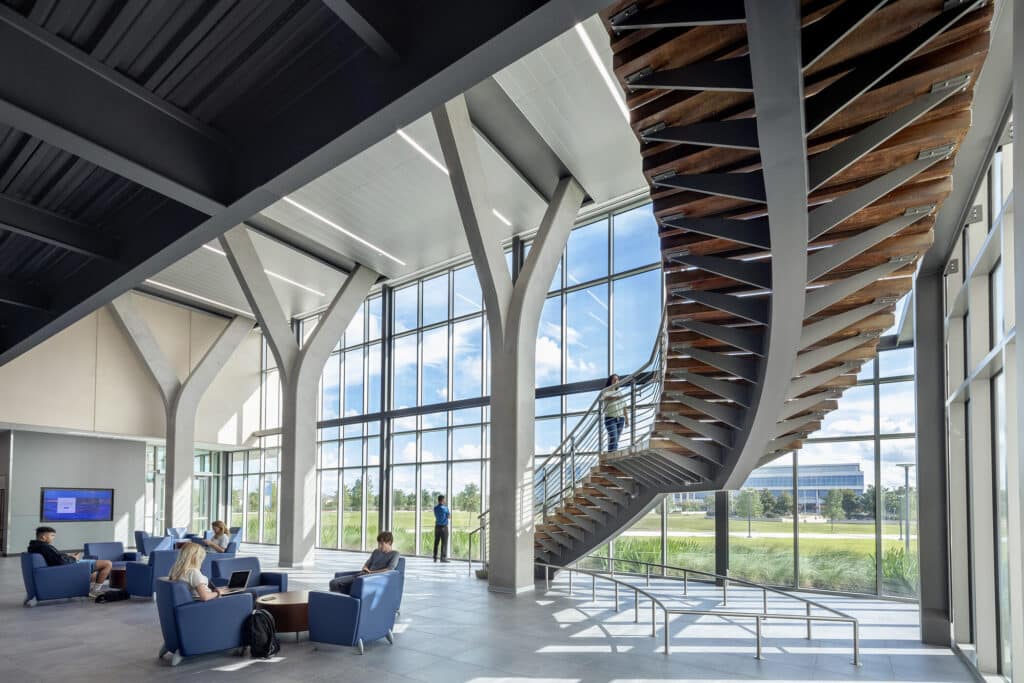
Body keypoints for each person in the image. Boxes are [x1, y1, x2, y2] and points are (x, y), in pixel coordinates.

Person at [27, 526, 113, 598]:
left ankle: (91, 589)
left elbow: (56, 558)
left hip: (67, 564)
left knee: (95, 564)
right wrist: (74, 559)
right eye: (52, 535)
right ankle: (95, 591)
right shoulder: (44, 547)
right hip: (69, 567)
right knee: (107, 563)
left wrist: (67, 556)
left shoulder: (36, 546)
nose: (54, 537)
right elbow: (60, 561)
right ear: (43, 537)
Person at [328, 531, 401, 594]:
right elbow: (367, 564)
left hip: (371, 579)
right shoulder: (376, 551)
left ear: (389, 542)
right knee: (333, 582)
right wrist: (365, 568)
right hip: (362, 575)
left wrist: (371, 572)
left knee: (336, 583)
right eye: (379, 543)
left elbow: (390, 569)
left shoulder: (395, 554)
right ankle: (340, 603)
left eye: (382, 544)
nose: (379, 546)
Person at [602, 374, 629, 451]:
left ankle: (612, 455)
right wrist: (615, 397)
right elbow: (605, 398)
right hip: (610, 418)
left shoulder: (619, 392)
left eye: (617, 380)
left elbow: (624, 406)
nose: (616, 381)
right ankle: (611, 456)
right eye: (614, 380)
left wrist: (627, 419)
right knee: (614, 437)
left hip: (620, 419)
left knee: (616, 439)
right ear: (610, 381)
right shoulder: (605, 391)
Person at [433, 495, 450, 563]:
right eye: (444, 499)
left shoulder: (435, 508)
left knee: (436, 542)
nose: (445, 501)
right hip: (443, 527)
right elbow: (449, 516)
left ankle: (435, 557)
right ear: (442, 500)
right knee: (444, 543)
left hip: (437, 527)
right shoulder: (445, 508)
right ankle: (443, 558)